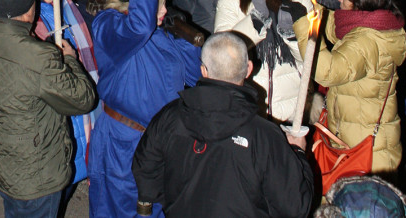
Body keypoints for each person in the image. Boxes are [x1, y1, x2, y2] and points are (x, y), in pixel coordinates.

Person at [0, 0, 97, 218]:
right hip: (36, 178)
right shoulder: (39, 57)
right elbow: (83, 100)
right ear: (30, 8)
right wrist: (71, 60)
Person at [132, 32, 314, 218]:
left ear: (203, 70)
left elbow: (145, 170)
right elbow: (295, 208)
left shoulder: (169, 117)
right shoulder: (265, 136)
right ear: (249, 69)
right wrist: (297, 153)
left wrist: (176, 202)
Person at [87, 0, 201, 218]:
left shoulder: (160, 34)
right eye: (159, 2)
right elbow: (138, 27)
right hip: (123, 142)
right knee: (118, 209)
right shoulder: (109, 25)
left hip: (160, 143)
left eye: (164, 2)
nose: (163, 10)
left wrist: (183, 38)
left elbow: (194, 75)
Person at [16, 0, 101, 191]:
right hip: (55, 111)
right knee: (59, 181)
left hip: (78, 105)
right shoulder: (28, 19)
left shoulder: (68, 6)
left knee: (76, 163)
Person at [214, 0, 315, 124]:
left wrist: (291, 36)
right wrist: (256, 20)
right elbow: (222, 56)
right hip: (253, 108)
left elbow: (312, 59)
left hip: (297, 106)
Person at [314, 0, 406, 174]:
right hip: (362, 141)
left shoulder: (364, 42)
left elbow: (327, 72)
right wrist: (311, 10)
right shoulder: (374, 25)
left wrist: (306, 27)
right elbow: (336, 28)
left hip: (367, 153)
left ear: (358, 7)